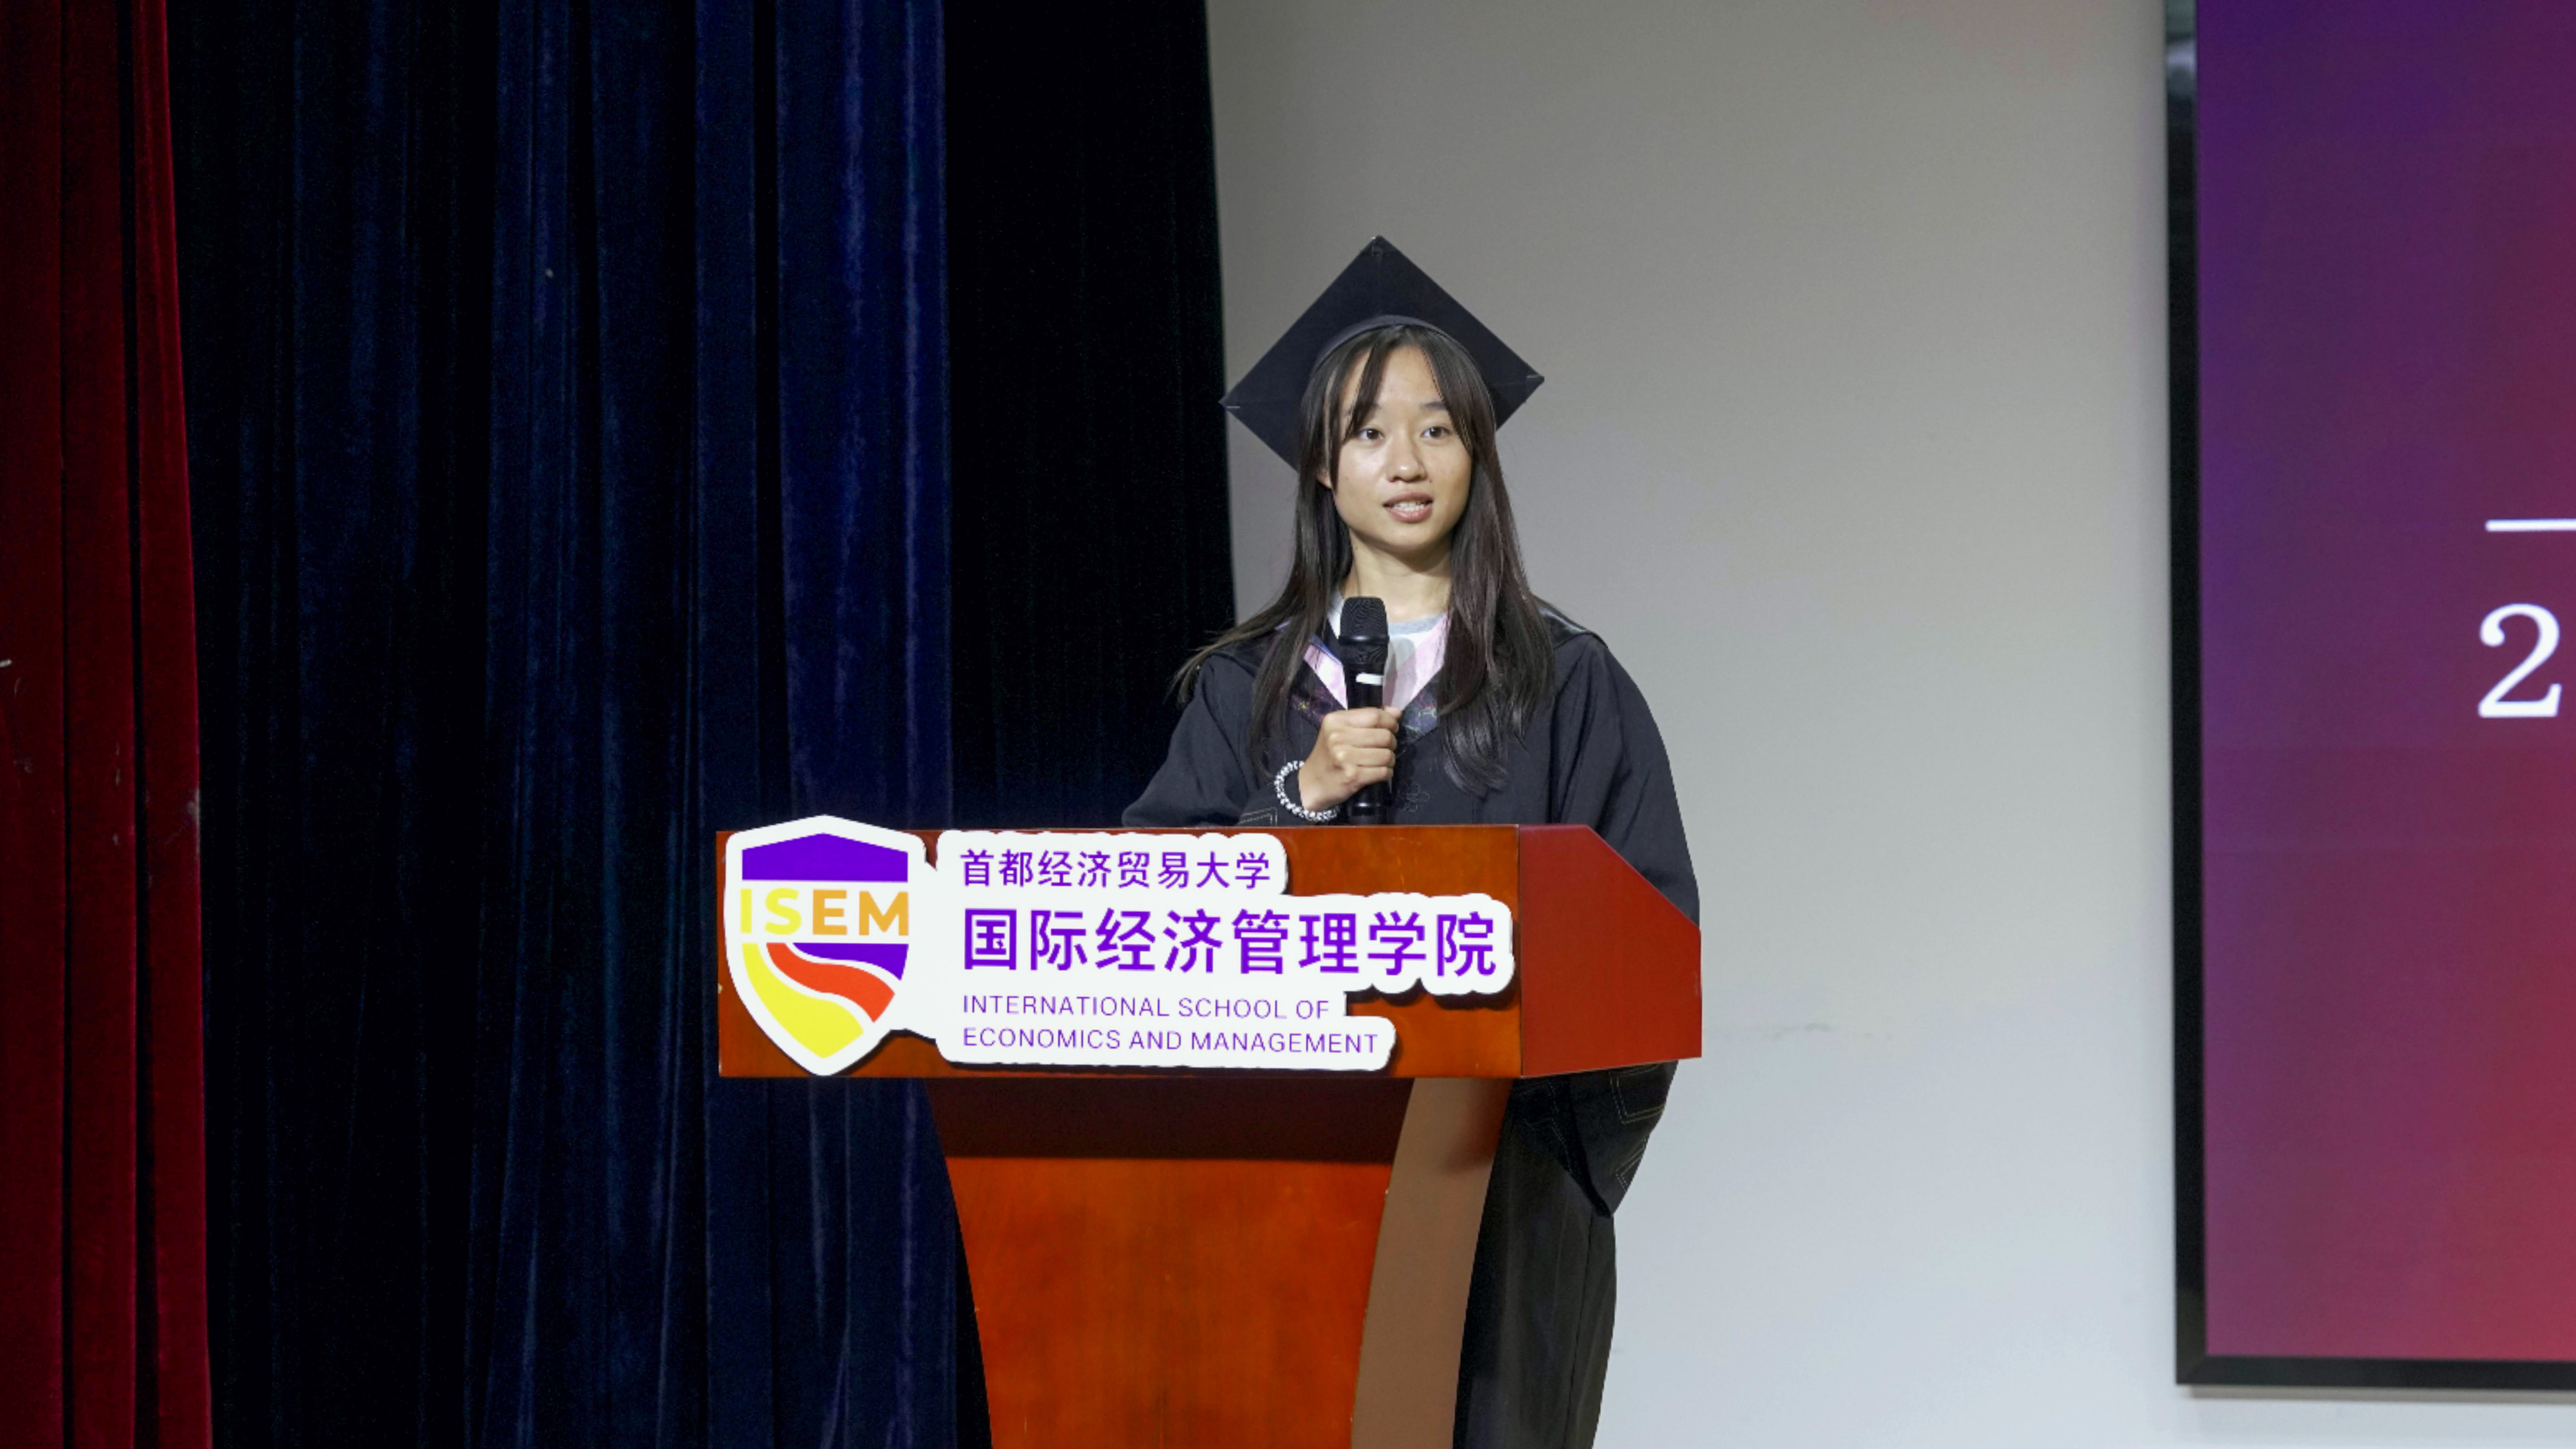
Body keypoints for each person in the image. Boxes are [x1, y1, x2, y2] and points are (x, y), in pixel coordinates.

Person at [1123, 238, 1697, 1449]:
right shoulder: (1243, 691)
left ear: (1477, 455)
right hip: (1289, 1179)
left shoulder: (1566, 683)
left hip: (1506, 1191)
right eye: (1369, 432)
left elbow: (1653, 936)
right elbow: (1149, 918)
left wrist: (1545, 1145)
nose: (1406, 462)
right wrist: (1300, 798)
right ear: (1318, 464)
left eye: (1438, 430)